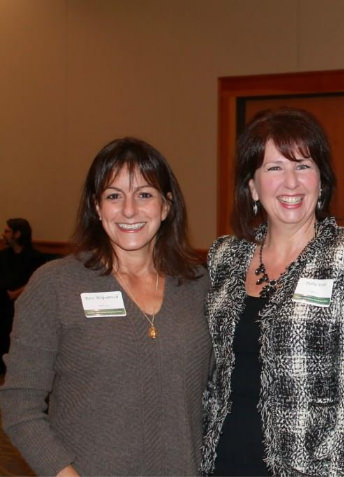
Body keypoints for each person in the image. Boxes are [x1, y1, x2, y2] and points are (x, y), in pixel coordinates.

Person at [0, 138, 211, 476]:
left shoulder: (199, 286)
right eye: (114, 196)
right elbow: (19, 405)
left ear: (166, 206)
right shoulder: (55, 285)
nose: (129, 210)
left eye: (144, 194)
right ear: (97, 208)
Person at [200, 107, 344, 477]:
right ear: (252, 186)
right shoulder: (225, 256)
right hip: (222, 463)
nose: (291, 183)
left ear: (322, 181)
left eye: (303, 166)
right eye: (274, 168)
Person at [0, 218, 46, 374]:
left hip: (24, 305)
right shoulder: (3, 256)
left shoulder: (36, 258)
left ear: (17, 234)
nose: (3, 235)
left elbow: (37, 283)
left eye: (7, 231)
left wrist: (17, 293)